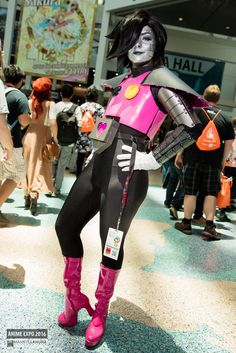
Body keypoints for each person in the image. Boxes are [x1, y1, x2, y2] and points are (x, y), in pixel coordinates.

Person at [55, 10, 207, 348]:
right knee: (65, 226)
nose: (139, 45)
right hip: (98, 164)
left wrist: (151, 157)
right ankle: (73, 299)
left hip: (126, 170)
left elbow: (191, 125)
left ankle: (100, 312)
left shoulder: (161, 80)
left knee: (111, 242)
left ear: (158, 44)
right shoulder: (124, 80)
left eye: (147, 39)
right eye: (134, 40)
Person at [175, 84, 235, 240]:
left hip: (192, 159)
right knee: (210, 194)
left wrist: (179, 154)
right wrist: (222, 163)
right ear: (218, 98)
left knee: (190, 191)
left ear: (204, 96)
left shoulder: (195, 113)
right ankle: (209, 226)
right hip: (213, 163)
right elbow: (229, 145)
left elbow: (186, 136)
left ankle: (186, 223)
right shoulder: (225, 118)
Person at [22, 77, 58, 215]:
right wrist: (56, 138)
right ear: (48, 90)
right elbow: (53, 123)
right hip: (44, 137)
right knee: (40, 166)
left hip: (29, 137)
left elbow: (24, 121)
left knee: (28, 165)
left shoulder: (29, 102)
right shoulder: (50, 104)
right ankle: (34, 194)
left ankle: (26, 194)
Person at [0, 65, 30, 226]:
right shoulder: (19, 96)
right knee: (16, 175)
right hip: (10, 142)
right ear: (20, 81)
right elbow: (24, 121)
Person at [52, 83, 81, 197]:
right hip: (69, 141)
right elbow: (80, 124)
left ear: (60, 94)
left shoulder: (56, 106)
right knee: (62, 165)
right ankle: (57, 189)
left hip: (56, 139)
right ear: (72, 95)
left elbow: (52, 123)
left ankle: (51, 186)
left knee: (53, 163)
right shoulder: (76, 108)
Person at [76, 87, 105, 176]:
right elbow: (104, 124)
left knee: (80, 157)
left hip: (83, 135)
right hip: (95, 136)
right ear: (96, 97)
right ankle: (88, 175)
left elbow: (78, 122)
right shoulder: (101, 108)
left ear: (86, 96)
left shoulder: (82, 107)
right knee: (92, 157)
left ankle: (78, 175)